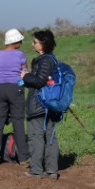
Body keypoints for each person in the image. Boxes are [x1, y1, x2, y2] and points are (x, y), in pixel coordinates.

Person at [20, 29, 61, 179]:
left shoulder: (44, 60)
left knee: (36, 135)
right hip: (51, 103)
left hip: (39, 104)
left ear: (43, 44)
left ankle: (36, 169)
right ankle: (52, 170)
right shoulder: (53, 60)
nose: (32, 44)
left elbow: (39, 81)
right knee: (50, 135)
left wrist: (25, 76)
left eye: (35, 42)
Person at [0, 28, 31, 164]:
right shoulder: (20, 55)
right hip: (14, 88)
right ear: (16, 42)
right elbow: (25, 70)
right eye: (20, 41)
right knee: (18, 122)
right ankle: (24, 157)